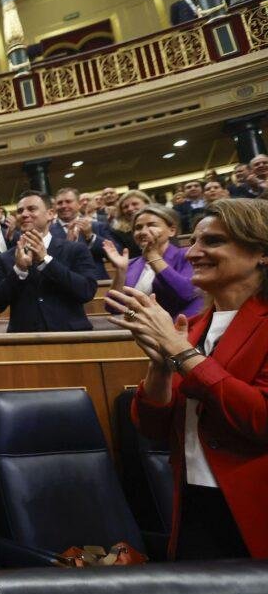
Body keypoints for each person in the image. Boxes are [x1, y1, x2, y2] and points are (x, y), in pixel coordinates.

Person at [107, 198, 268, 560]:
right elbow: (153, 427)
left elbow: (260, 420)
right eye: (193, 242)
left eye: (212, 242)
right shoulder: (190, 328)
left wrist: (182, 355)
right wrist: (162, 368)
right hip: (194, 505)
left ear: (261, 252)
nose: (194, 252)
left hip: (256, 509)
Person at [0, 190, 101, 332]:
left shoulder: (75, 249)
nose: (24, 214)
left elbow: (86, 291)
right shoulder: (3, 259)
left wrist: (46, 261)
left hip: (71, 337)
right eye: (20, 211)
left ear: (50, 214)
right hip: (25, 341)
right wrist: (18, 270)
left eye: (32, 209)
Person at [103, 205, 203, 320]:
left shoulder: (186, 256)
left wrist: (153, 256)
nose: (143, 232)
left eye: (152, 225)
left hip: (178, 329)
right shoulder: (131, 264)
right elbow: (112, 307)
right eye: (138, 227)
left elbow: (186, 293)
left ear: (172, 230)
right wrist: (120, 271)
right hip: (138, 330)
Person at [50, 187, 115, 267]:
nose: (64, 206)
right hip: (61, 278)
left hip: (97, 278)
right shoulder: (48, 231)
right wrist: (68, 245)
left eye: (68, 201)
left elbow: (116, 253)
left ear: (79, 204)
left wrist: (91, 236)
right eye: (59, 203)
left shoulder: (98, 226)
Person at [110, 190, 151, 254]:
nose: (130, 208)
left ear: (146, 204)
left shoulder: (163, 222)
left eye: (135, 204)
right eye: (125, 207)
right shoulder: (118, 232)